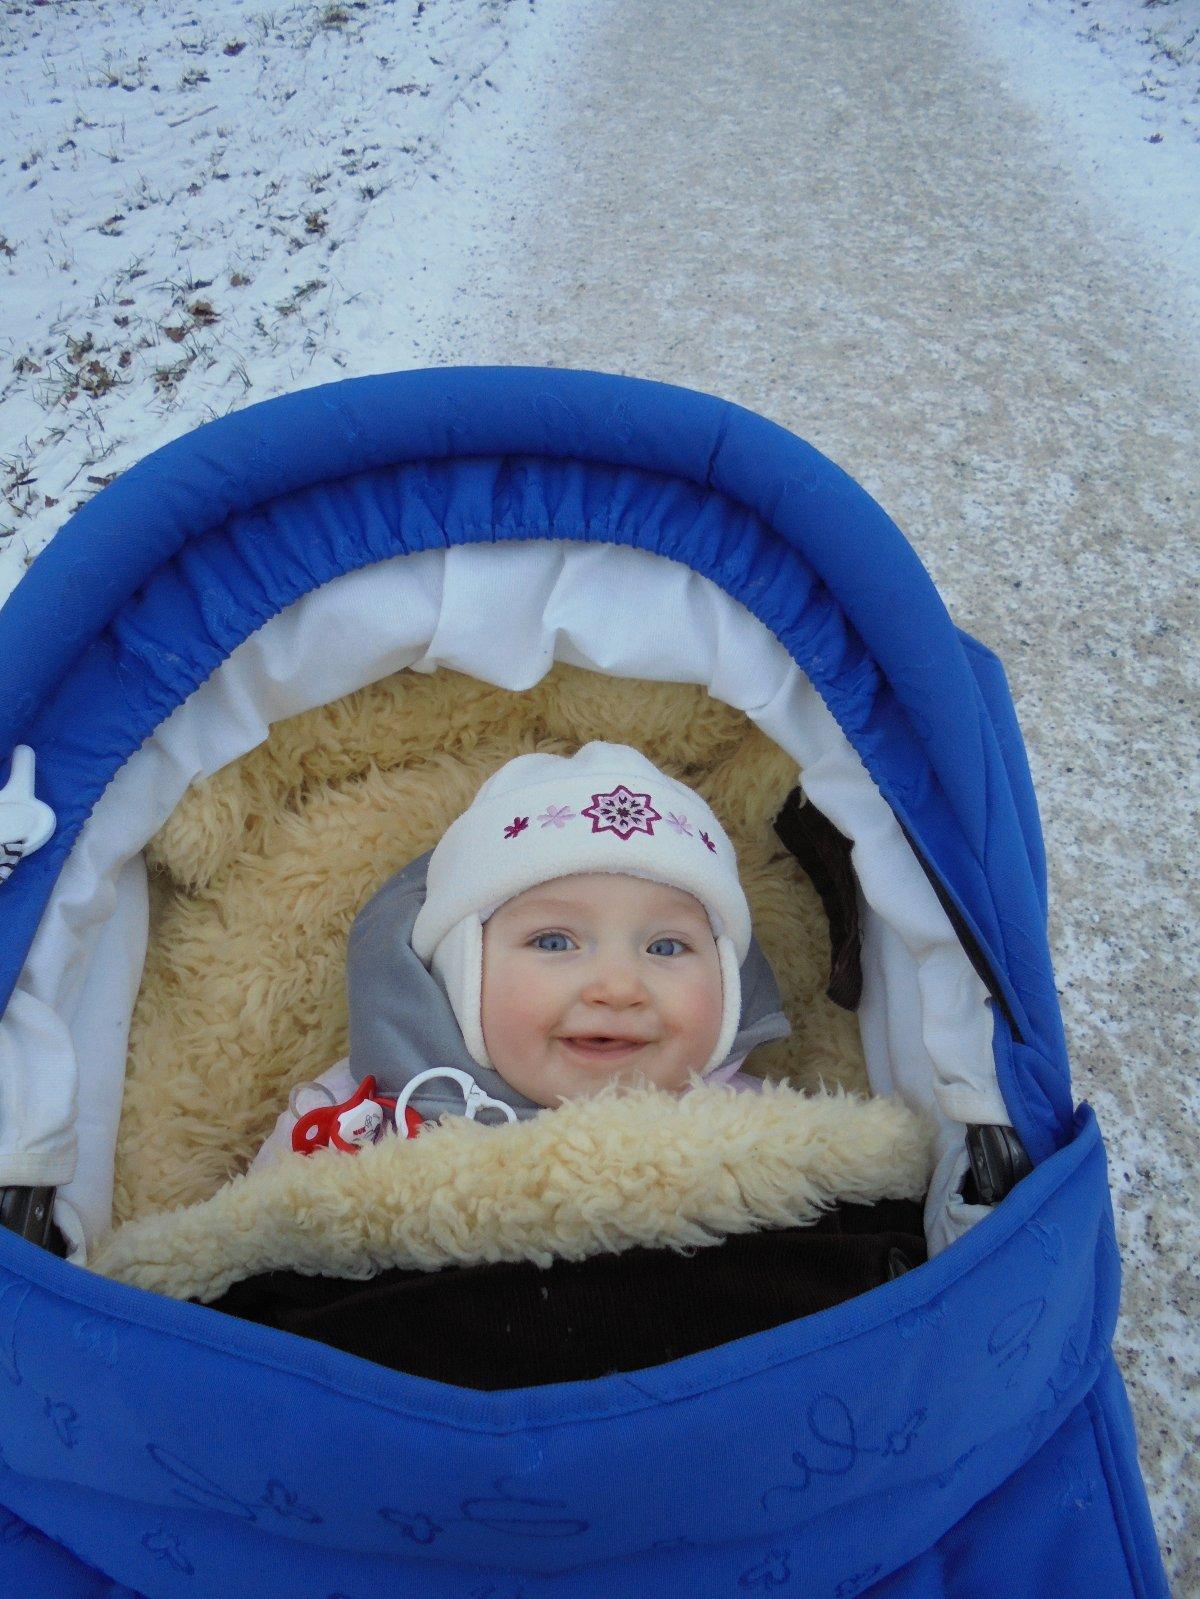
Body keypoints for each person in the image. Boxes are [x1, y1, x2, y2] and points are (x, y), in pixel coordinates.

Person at [249, 742, 792, 1170]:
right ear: (461, 971)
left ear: (728, 980)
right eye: (554, 942)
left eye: (666, 947)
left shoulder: (765, 1137)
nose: (619, 988)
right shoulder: (348, 1129)